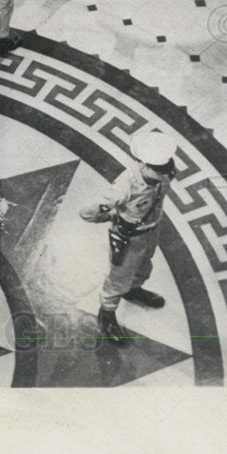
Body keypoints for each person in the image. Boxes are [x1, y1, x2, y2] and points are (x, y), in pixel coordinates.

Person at [80, 129, 178, 344]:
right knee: (119, 277)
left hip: (151, 231)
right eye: (158, 170)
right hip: (129, 236)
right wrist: (112, 217)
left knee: (144, 266)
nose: (164, 175)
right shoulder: (125, 187)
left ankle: (133, 290)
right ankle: (107, 312)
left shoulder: (164, 172)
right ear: (143, 164)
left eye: (166, 169)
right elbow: (88, 212)